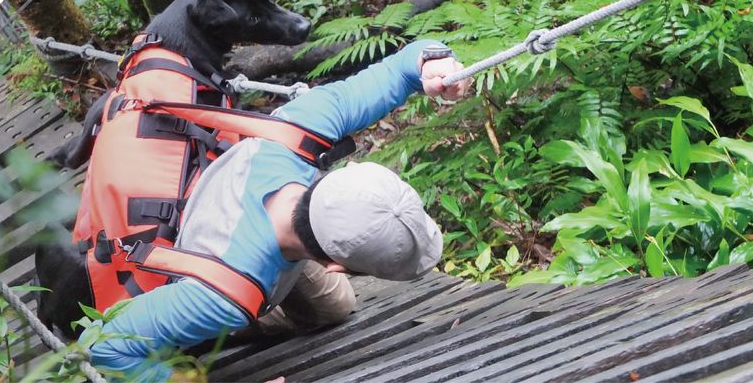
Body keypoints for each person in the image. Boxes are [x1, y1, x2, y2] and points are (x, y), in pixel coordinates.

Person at [85, 39, 472, 379]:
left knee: (334, 306)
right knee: (233, 315)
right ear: (333, 264)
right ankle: (188, 336)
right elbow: (100, 346)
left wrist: (428, 62)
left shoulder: (299, 130)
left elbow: (400, 68)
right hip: (212, 266)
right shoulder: (221, 299)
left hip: (244, 217)